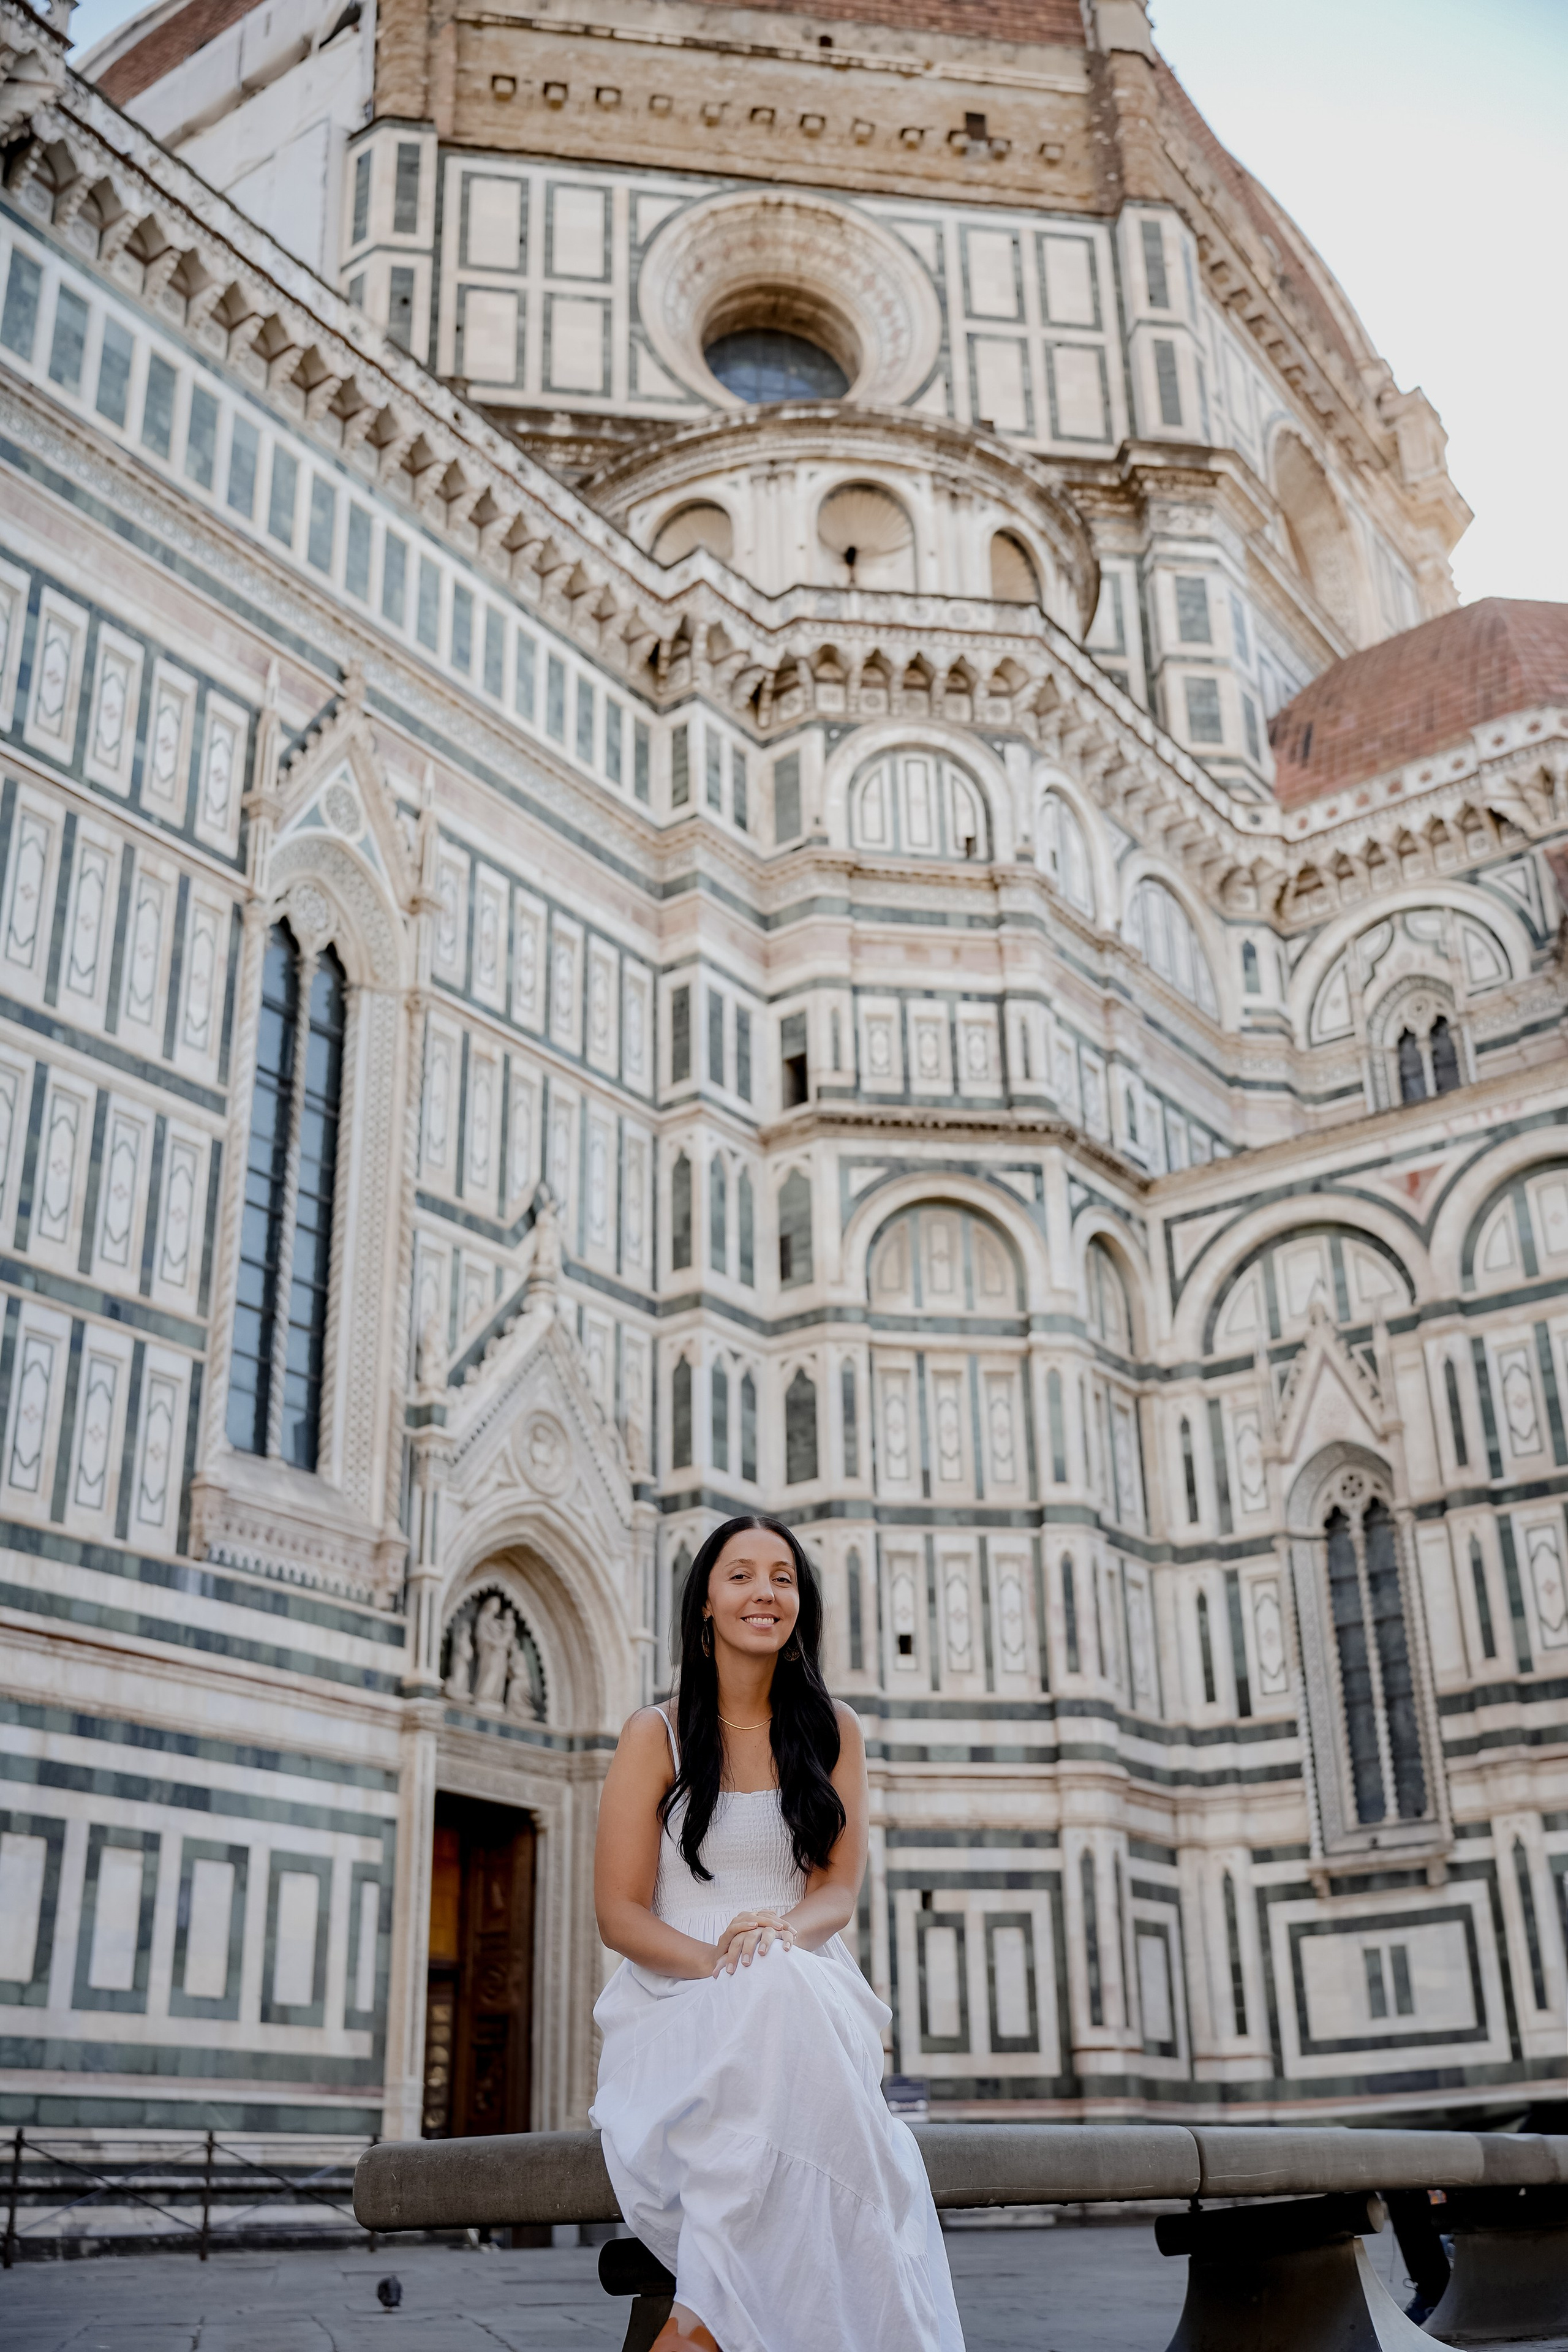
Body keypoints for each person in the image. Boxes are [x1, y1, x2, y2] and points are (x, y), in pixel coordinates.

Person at [591, 1515, 965, 2352]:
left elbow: (837, 1891)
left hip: (802, 1973)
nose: (766, 1592)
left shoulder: (835, 1729)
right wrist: (721, 1959)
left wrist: (778, 1937)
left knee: (780, 1986)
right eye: (742, 1576)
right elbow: (620, 1914)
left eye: (784, 1578)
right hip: (675, 1994)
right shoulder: (654, 1734)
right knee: (768, 1994)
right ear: (705, 1606)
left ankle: (702, 2326)